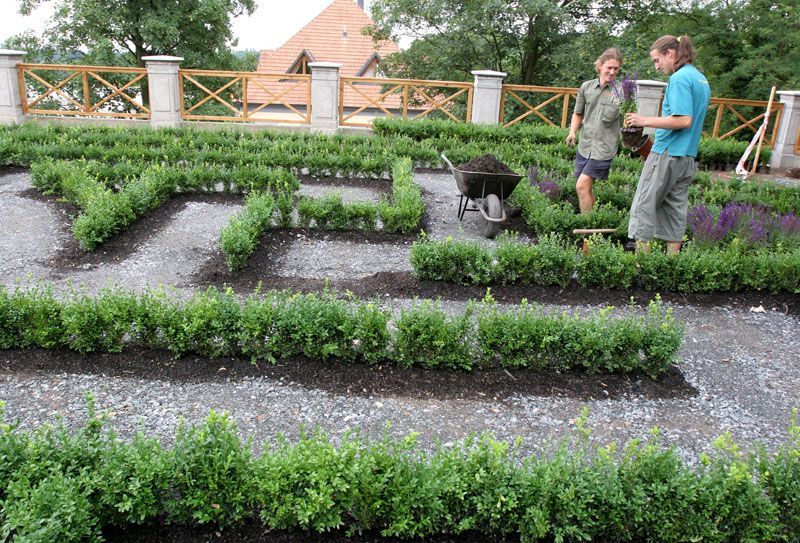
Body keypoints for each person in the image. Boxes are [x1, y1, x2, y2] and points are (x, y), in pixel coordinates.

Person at [625, 35, 710, 254]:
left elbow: (683, 120)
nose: (656, 66)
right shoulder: (700, 78)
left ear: (670, 53)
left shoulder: (679, 78)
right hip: (687, 157)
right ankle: (671, 266)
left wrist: (643, 120)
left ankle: (640, 267)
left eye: (656, 60)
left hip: (666, 153)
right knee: (675, 209)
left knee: (644, 207)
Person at [565, 48, 623, 214]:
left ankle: (587, 230)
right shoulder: (586, 87)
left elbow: (629, 118)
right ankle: (593, 225)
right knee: (586, 189)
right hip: (585, 146)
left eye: (616, 69)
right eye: (609, 67)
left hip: (604, 148)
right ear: (600, 66)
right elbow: (578, 113)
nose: (612, 72)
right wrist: (572, 132)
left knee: (581, 186)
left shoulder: (622, 92)